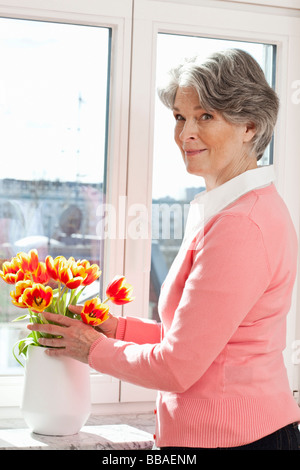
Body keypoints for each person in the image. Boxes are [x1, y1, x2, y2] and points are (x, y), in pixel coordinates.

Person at [28, 49, 300, 450]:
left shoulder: (241, 223)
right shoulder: (230, 210)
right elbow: (193, 341)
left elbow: (177, 366)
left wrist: (92, 349)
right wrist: (115, 330)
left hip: (237, 441)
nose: (185, 133)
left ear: (250, 126)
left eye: (205, 116)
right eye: (179, 116)